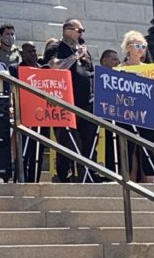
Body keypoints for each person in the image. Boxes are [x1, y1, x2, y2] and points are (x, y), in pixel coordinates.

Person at [44, 18, 96, 183]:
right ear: (68, 30)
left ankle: (86, 175)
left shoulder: (84, 51)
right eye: (79, 30)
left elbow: (91, 73)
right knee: (68, 142)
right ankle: (62, 175)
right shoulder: (56, 47)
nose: (82, 34)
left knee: (88, 141)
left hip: (87, 103)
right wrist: (74, 56)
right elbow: (54, 67)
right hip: (65, 103)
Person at [118, 31, 154, 183]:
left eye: (143, 46)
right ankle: (126, 178)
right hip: (127, 113)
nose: (141, 49)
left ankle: (150, 179)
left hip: (146, 112)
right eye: (137, 46)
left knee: (148, 145)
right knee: (127, 146)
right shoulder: (120, 68)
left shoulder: (150, 69)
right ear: (128, 47)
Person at [10, 41, 49, 183]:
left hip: (41, 115)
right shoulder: (14, 69)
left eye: (34, 51)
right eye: (29, 51)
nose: (33, 54)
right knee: (23, 151)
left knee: (37, 150)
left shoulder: (42, 69)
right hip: (24, 114)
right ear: (21, 53)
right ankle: (19, 179)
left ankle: (34, 180)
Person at [99, 49, 120, 176]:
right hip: (102, 117)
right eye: (114, 59)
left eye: (118, 59)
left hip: (118, 117)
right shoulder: (97, 76)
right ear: (105, 60)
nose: (118, 62)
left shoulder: (121, 77)